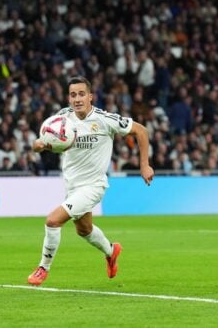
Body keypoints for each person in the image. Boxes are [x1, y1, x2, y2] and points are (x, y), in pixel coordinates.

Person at [27, 76, 154, 286]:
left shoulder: (105, 119)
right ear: (69, 98)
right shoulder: (62, 119)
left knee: (52, 221)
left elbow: (141, 130)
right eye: (73, 95)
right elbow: (38, 143)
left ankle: (43, 268)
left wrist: (144, 165)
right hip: (72, 186)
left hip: (94, 185)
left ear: (90, 97)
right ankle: (112, 251)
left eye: (81, 94)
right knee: (84, 230)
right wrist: (40, 145)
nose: (77, 99)